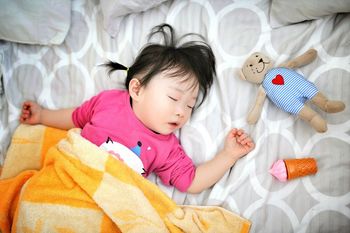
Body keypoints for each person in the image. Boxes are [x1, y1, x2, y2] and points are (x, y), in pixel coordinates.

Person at [20, 24, 255, 194]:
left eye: (190, 105)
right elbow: (75, 117)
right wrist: (42, 115)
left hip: (109, 198)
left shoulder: (167, 148)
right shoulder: (108, 102)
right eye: (174, 97)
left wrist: (228, 155)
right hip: (69, 178)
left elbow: (191, 182)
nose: (182, 111)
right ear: (137, 89)